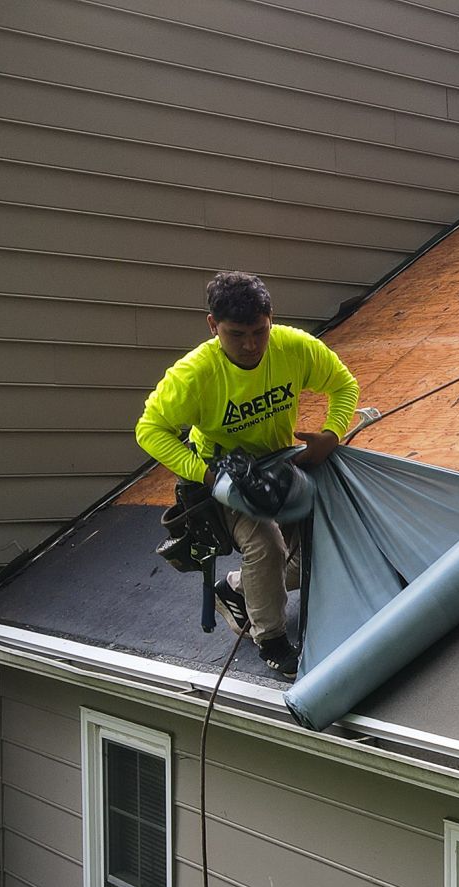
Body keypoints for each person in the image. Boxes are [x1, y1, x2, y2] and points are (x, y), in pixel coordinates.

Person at [136, 271, 358, 677]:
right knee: (266, 547)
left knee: (316, 550)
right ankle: (270, 638)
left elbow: (343, 385)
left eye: (260, 331)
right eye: (236, 334)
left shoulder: (294, 348)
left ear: (271, 317)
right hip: (225, 476)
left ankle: (238, 588)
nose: (251, 344)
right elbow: (149, 430)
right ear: (212, 326)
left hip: (282, 463)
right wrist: (207, 477)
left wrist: (331, 433)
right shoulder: (194, 376)